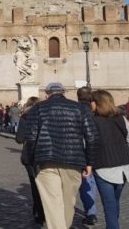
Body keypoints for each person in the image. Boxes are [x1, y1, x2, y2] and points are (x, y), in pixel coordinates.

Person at [23, 83, 99, 229]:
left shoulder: (38, 108)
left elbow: (31, 137)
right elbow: (92, 136)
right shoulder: (80, 108)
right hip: (74, 161)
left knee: (53, 203)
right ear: (64, 92)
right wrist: (89, 163)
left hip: (46, 161)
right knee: (68, 202)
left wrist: (33, 159)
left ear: (47, 94)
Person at [91, 89, 129, 229]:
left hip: (103, 166)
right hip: (124, 166)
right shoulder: (121, 118)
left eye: (92, 101)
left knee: (110, 205)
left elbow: (88, 143)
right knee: (114, 201)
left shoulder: (93, 121)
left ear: (97, 103)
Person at [15, 96, 44, 225]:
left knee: (35, 184)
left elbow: (20, 138)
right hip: (47, 155)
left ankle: (38, 211)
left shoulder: (25, 117)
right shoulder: (46, 115)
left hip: (30, 155)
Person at [77, 87, 99, 226]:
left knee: (87, 182)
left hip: (85, 152)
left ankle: (91, 212)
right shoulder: (97, 111)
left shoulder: (76, 110)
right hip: (102, 153)